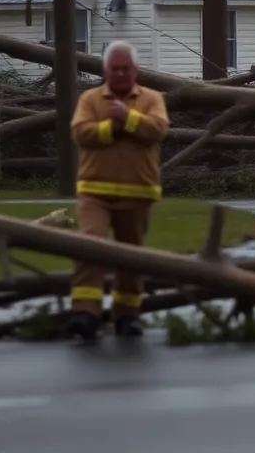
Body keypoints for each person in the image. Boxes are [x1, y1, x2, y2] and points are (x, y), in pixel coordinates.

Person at [67, 40, 170, 341]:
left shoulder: (152, 99)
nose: (121, 74)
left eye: (126, 69)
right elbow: (79, 133)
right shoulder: (90, 99)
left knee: (131, 257)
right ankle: (86, 312)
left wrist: (128, 118)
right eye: (116, 68)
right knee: (90, 245)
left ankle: (127, 316)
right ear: (105, 70)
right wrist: (110, 128)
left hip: (138, 192)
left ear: (136, 71)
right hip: (94, 191)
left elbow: (159, 130)